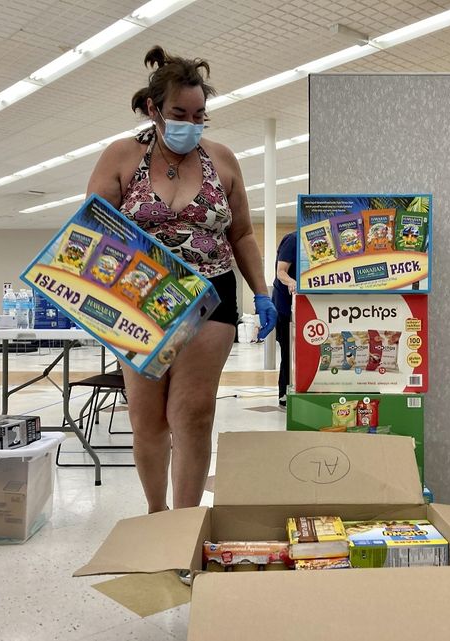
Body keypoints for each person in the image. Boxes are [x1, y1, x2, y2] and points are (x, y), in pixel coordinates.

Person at [86, 45, 277, 514]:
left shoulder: (222, 160)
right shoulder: (121, 156)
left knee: (193, 414)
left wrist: (262, 292)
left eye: (199, 115)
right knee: (147, 418)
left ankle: (185, 520)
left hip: (209, 298)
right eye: (179, 113)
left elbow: (243, 233)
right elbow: (91, 228)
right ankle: (156, 514)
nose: (189, 123)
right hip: (138, 300)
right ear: (153, 108)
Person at [271, 231, 297, 407]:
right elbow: (281, 271)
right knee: (289, 351)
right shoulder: (293, 240)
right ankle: (284, 394)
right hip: (286, 307)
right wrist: (292, 282)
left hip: (308, 306)